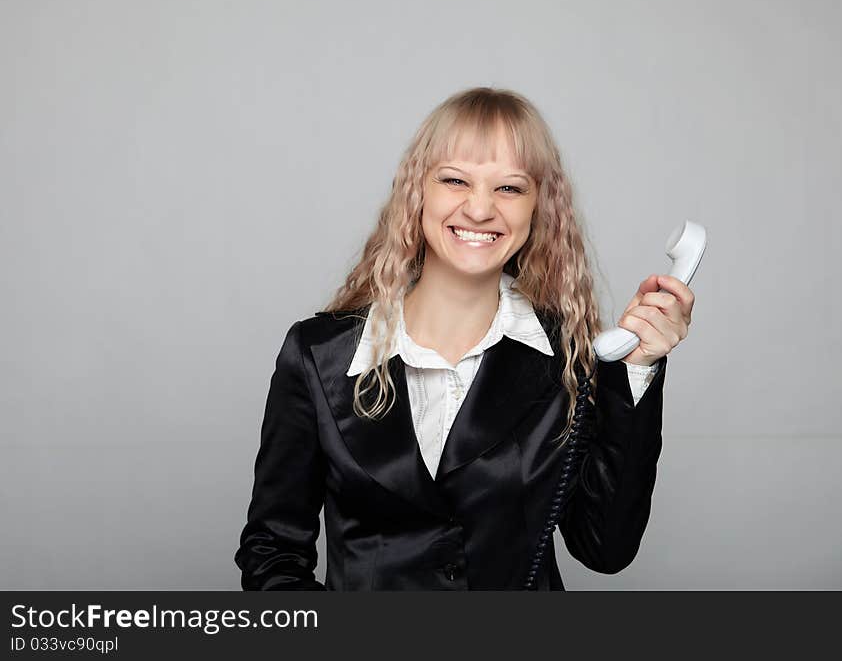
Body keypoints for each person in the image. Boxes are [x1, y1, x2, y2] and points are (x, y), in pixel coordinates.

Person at [234, 86, 695, 590]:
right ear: (418, 191)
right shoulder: (318, 355)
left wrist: (637, 366)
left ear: (540, 206)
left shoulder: (570, 357)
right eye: (455, 180)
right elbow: (273, 554)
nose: (479, 210)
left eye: (510, 188)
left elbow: (605, 549)